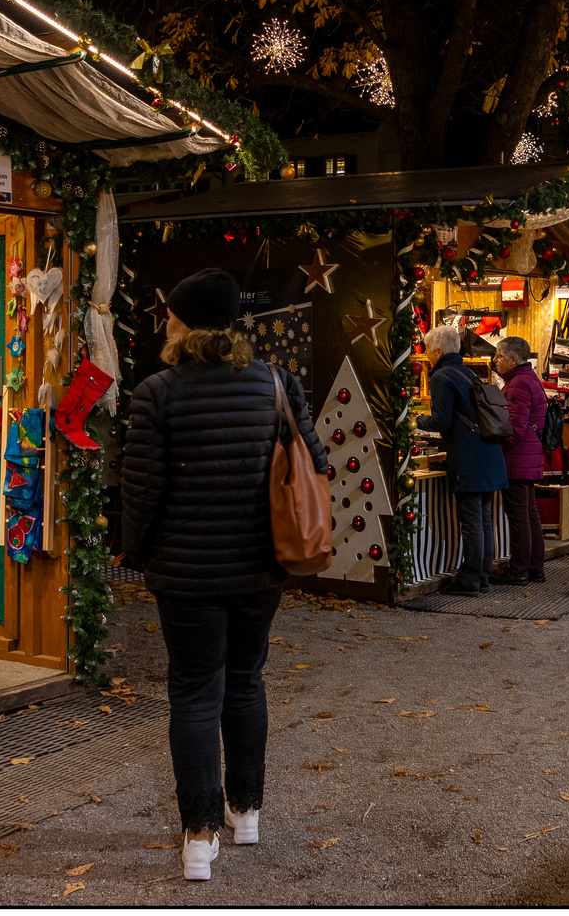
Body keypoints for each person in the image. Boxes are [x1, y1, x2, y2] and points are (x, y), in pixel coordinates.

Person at [120, 268, 329, 880]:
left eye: (170, 313)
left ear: (182, 322)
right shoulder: (274, 383)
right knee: (245, 682)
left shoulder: (156, 393)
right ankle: (247, 812)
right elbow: (315, 462)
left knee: (192, 692)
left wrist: (137, 553)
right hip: (260, 568)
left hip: (185, 575)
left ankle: (197, 839)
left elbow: (141, 493)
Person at [422, 323, 507, 596]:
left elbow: (441, 420)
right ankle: (481, 576)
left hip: (469, 458)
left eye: (427, 350)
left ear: (437, 351)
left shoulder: (441, 376)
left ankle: (469, 580)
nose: (425, 355)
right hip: (488, 453)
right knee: (483, 520)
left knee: (472, 521)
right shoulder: (468, 372)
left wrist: (415, 421)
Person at [493, 336, 549, 585]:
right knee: (529, 514)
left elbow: (513, 428)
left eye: (498, 356)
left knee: (519, 517)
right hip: (529, 457)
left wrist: (497, 450)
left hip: (517, 459)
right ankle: (535, 567)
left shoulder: (518, 384)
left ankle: (519, 570)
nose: (495, 361)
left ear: (513, 359)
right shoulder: (530, 380)